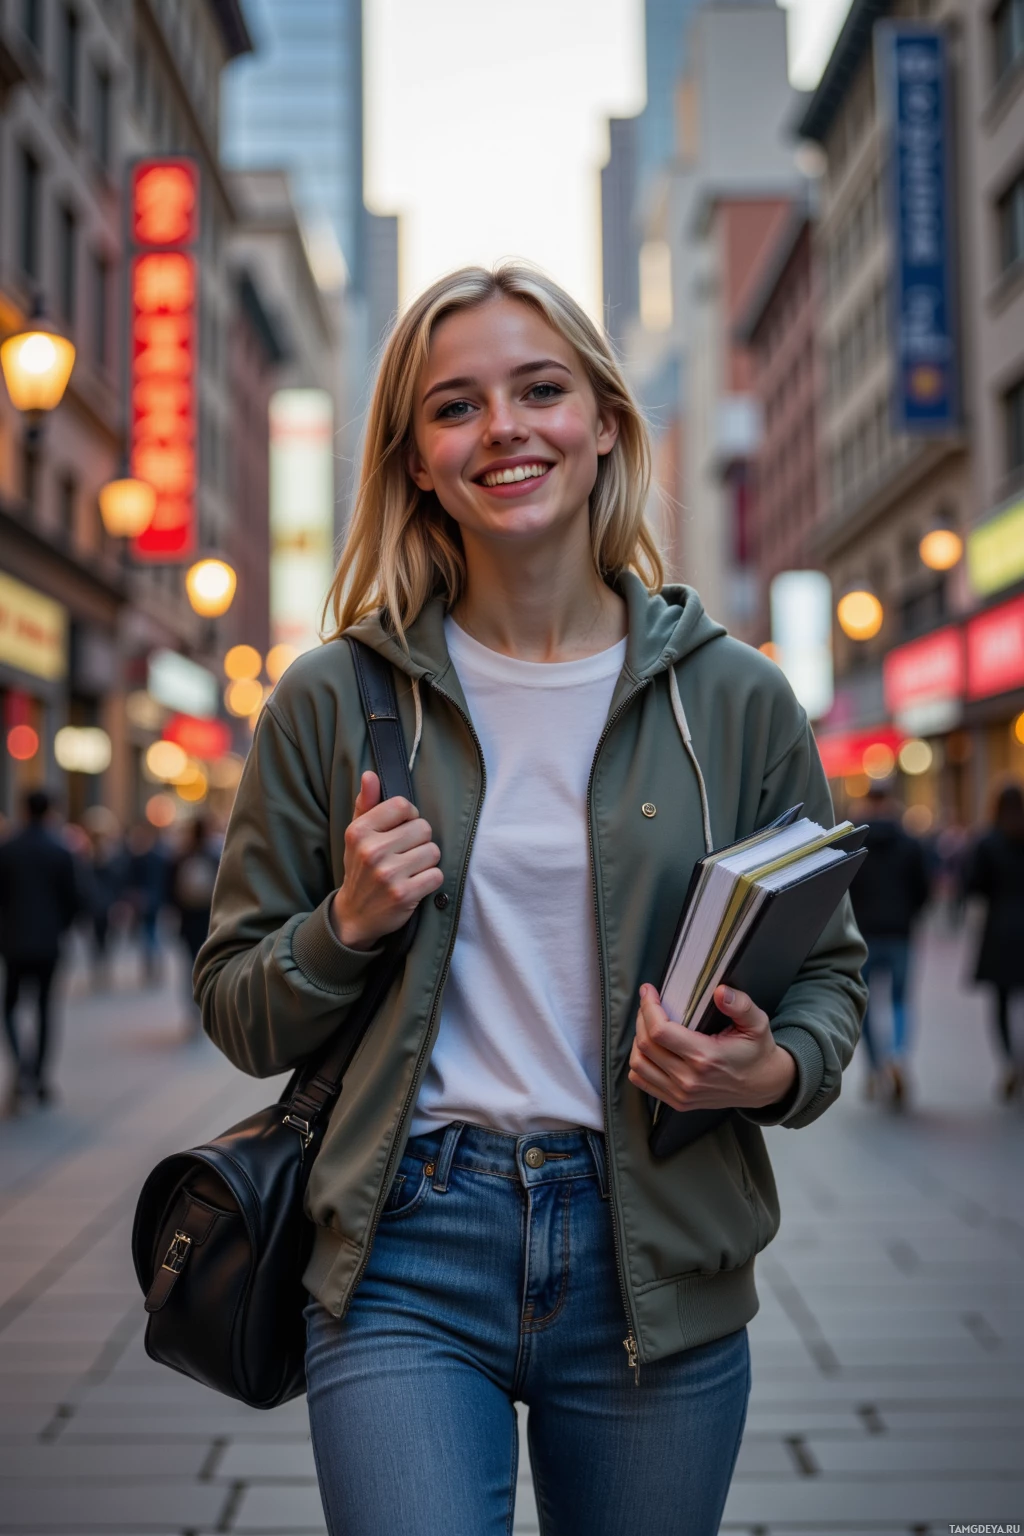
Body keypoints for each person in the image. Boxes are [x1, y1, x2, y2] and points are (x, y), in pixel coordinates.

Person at [195, 263, 867, 1536]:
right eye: (455, 407)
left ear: (603, 420)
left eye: (540, 390)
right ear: (415, 461)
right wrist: (342, 929)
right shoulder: (331, 699)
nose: (503, 427)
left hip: (654, 1253)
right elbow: (236, 1003)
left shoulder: (734, 700)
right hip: (405, 1245)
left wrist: (766, 1074)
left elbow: (830, 972)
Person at [847, 783, 930, 1106]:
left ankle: (875, 1066)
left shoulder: (856, 842)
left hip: (863, 935)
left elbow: (844, 889)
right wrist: (909, 914)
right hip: (900, 933)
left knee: (863, 1004)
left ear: (867, 801)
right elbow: (924, 889)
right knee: (899, 1000)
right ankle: (897, 1055)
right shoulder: (909, 842)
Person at [0, 790, 78, 1109]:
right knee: (46, 1009)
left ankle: (22, 1066)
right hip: (48, 943)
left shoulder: (8, 850)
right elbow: (72, 899)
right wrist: (59, 928)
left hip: (14, 943)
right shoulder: (60, 850)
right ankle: (40, 1076)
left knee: (10, 1007)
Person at [965, 780, 1024, 1101]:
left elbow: (974, 885)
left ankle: (1009, 1061)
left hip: (1000, 930)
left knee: (1001, 1004)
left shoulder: (989, 842)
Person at [169, 817, 220, 1037]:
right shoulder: (215, 857)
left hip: (189, 921)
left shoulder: (181, 856)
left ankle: (194, 1010)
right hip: (210, 922)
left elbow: (171, 891)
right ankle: (208, 1010)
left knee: (190, 967)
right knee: (210, 967)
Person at [125, 822, 170, 985]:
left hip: (151, 903)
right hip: (147, 903)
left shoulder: (152, 857)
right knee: (149, 935)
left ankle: (152, 966)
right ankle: (151, 966)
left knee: (150, 936)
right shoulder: (143, 857)